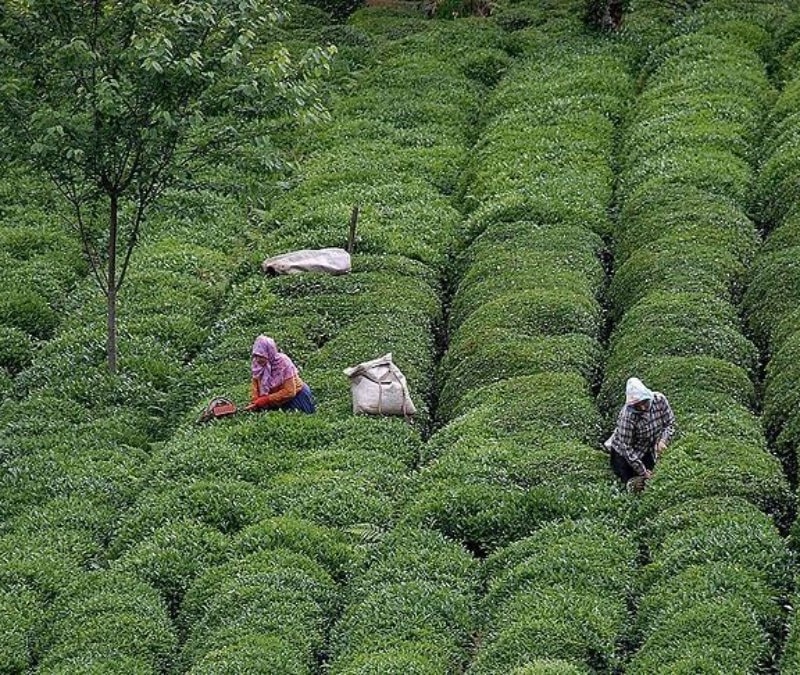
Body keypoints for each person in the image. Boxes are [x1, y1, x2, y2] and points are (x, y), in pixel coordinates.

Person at [607, 376, 675, 492]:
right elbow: (626, 448)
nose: (642, 407)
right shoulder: (627, 416)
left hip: (646, 448)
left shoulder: (660, 400)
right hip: (623, 454)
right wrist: (642, 471)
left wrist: (663, 440)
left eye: (644, 402)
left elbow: (670, 423)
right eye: (637, 405)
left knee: (649, 481)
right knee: (631, 483)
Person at [245, 335, 316, 414]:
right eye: (256, 356)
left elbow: (290, 391)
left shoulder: (283, 363)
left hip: (296, 397)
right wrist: (255, 402)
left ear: (269, 353)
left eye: (261, 356)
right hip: (276, 400)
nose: (258, 360)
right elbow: (255, 384)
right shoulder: (257, 364)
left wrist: (266, 399)